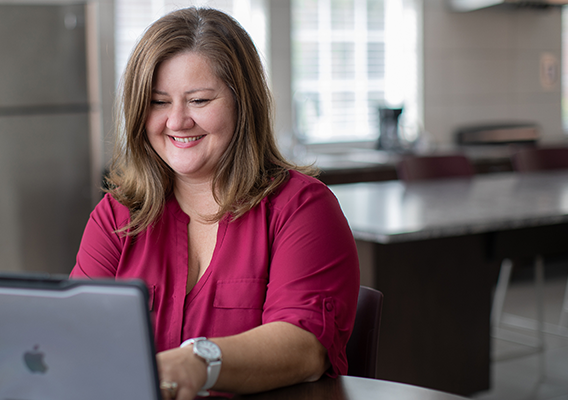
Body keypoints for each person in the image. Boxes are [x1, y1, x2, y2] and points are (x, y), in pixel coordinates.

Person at [71, 7, 359, 400]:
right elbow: (76, 337)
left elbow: (304, 347)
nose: (176, 121)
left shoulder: (302, 208)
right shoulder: (116, 217)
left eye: (199, 100)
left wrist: (198, 362)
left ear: (244, 104)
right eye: (158, 102)